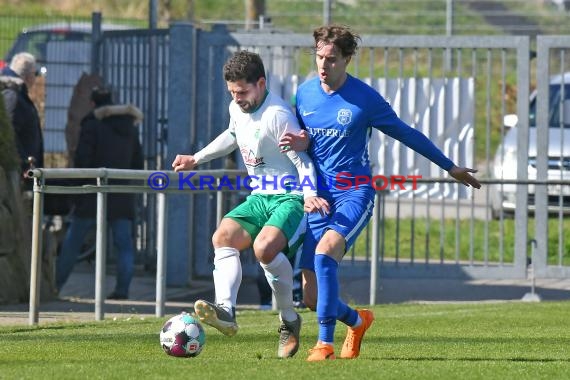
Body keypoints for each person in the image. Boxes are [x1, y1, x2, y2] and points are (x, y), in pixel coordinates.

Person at [279, 25, 482, 361]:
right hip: (317, 196)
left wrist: (450, 166)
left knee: (326, 252)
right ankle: (358, 322)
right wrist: (301, 144)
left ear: (347, 58)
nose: (323, 65)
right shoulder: (304, 94)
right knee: (314, 297)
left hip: (353, 193)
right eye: (318, 57)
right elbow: (297, 141)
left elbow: (405, 133)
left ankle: (324, 344)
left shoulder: (365, 99)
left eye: (331, 58)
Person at [171, 51, 328, 358]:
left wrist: (309, 194)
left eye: (242, 92)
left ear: (261, 83)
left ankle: (289, 320)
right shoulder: (237, 107)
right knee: (223, 237)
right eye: (232, 92)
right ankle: (226, 311)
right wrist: (196, 158)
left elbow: (302, 160)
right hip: (259, 196)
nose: (238, 98)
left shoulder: (277, 115)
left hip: (291, 197)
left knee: (264, 250)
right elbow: (232, 134)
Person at [56, 86, 143, 300]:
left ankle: (55, 286)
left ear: (93, 103)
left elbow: (83, 161)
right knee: (123, 244)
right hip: (121, 192)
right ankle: (122, 291)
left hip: (91, 193)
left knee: (73, 242)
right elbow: (137, 161)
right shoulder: (129, 126)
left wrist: (77, 190)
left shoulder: (92, 124)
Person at [0, 52, 43, 176]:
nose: (36, 78)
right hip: (18, 172)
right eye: (35, 74)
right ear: (28, 76)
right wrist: (24, 162)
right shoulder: (13, 95)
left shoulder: (17, 93)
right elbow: (9, 131)